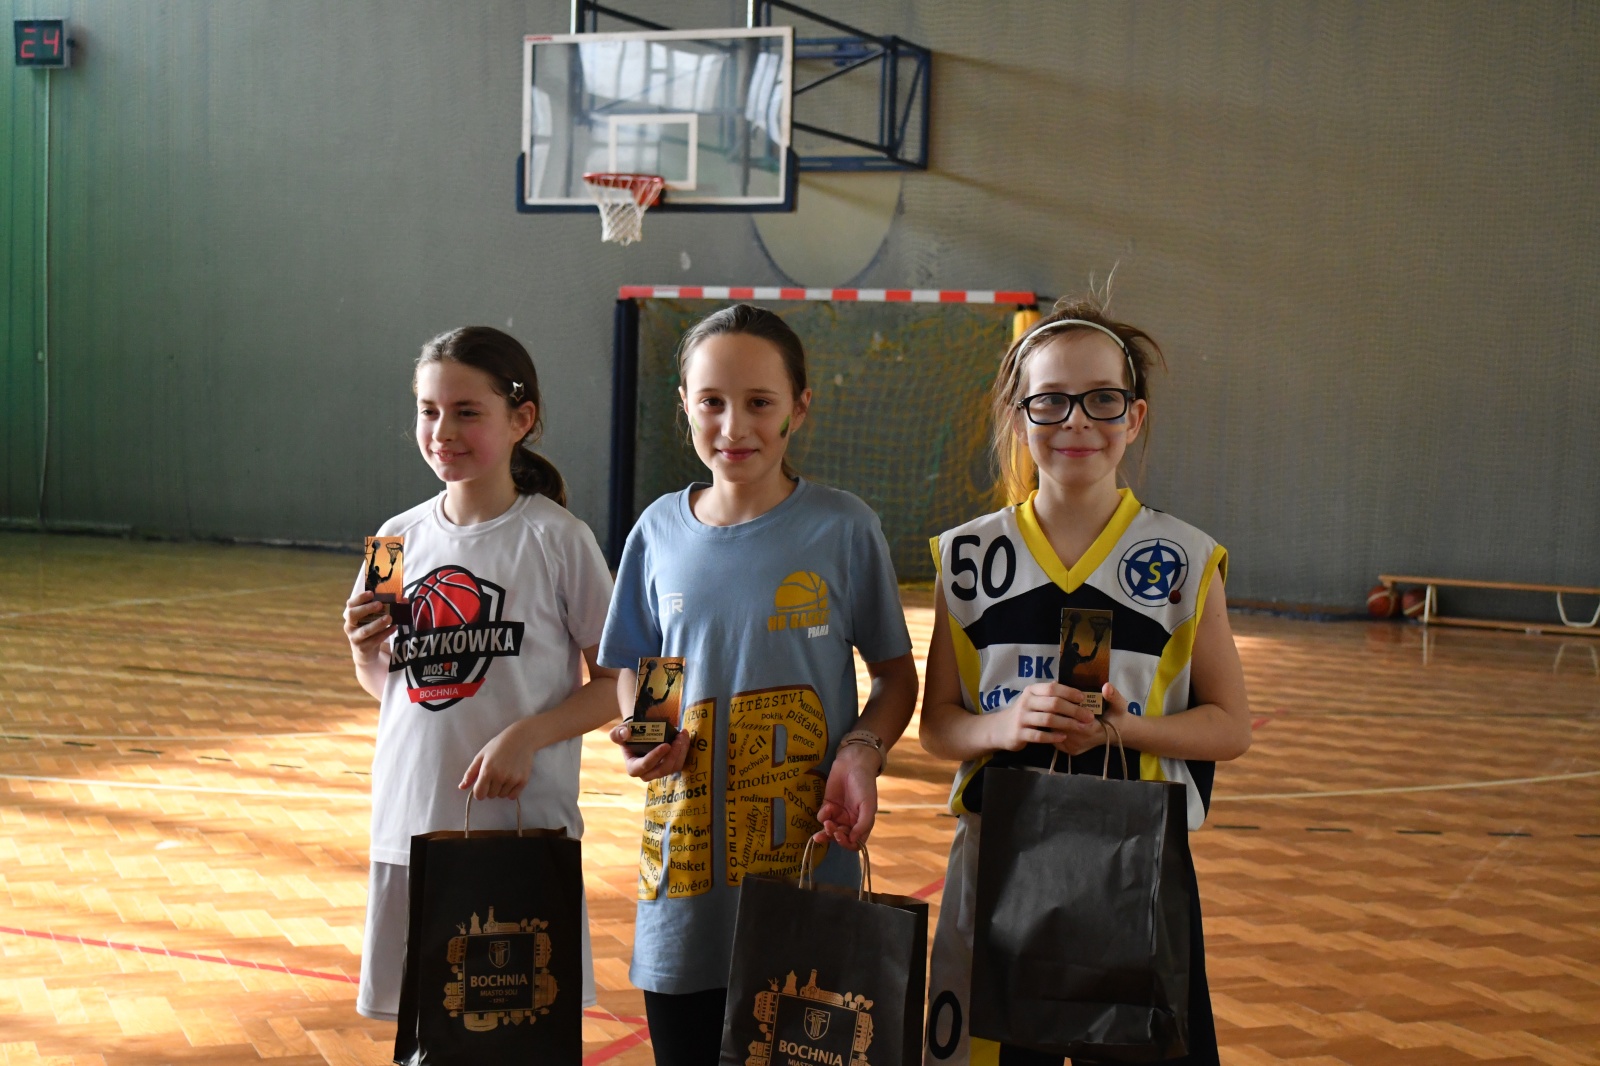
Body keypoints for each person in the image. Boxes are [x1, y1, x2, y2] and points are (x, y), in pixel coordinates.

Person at [918, 296, 1252, 1066]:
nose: (1076, 421)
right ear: (1018, 415)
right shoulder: (967, 559)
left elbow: (1230, 725)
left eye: (1102, 399)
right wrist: (1006, 726)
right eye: (1051, 400)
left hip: (1136, 869)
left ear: (1134, 417)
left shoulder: (1185, 559)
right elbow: (938, 724)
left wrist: (1125, 729)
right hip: (1000, 866)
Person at [598, 304, 920, 1066]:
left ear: (798, 409)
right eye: (712, 401)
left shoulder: (843, 528)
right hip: (684, 884)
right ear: (685, 404)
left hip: (806, 873)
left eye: (759, 402)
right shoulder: (657, 532)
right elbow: (639, 667)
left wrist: (862, 752)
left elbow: (895, 678)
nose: (733, 426)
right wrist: (646, 734)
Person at [341, 326, 618, 1022]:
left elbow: (619, 684)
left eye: (467, 412)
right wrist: (362, 650)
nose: (443, 432)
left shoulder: (558, 538)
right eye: (429, 411)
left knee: (518, 1029)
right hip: (411, 819)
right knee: (427, 1030)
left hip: (517, 831)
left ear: (520, 419)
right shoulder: (394, 540)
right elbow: (393, 691)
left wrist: (529, 736)